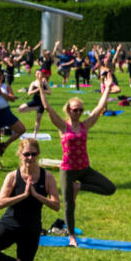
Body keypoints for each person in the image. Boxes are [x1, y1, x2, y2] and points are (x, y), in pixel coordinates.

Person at [43, 82, 118, 246]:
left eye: (80, 110)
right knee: (69, 205)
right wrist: (41, 88)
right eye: (75, 109)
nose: (78, 112)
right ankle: (71, 238)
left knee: (110, 188)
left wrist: (107, 87)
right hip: (68, 171)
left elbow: (99, 108)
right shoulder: (63, 126)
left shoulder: (85, 125)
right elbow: (48, 108)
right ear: (69, 110)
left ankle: (80, 187)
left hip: (85, 169)